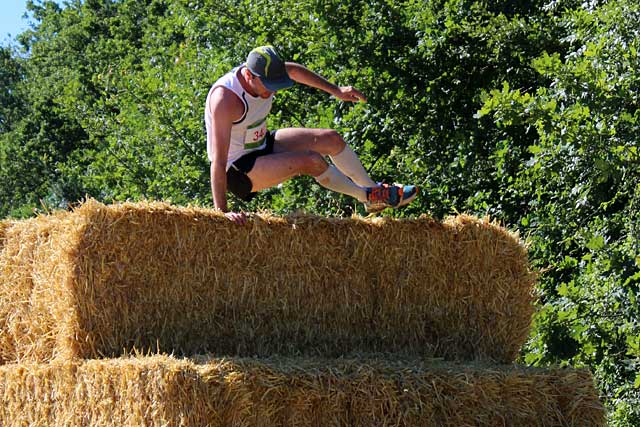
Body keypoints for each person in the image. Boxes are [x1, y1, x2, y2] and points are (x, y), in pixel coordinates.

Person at [205, 45, 417, 225]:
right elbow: (219, 160)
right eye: (269, 86)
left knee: (331, 139)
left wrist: (336, 91)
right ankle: (365, 195)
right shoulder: (225, 100)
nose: (273, 92)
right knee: (311, 161)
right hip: (236, 170)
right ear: (249, 75)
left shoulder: (267, 70)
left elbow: (295, 71)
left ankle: (374, 191)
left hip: (260, 144)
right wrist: (222, 213)